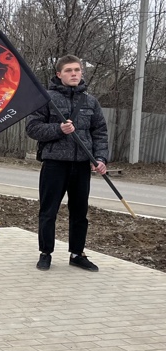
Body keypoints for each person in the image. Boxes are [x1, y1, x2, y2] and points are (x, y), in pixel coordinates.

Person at [26, 55, 108, 272]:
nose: (74, 74)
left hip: (81, 165)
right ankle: (45, 253)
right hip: (55, 164)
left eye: (77, 70)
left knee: (80, 212)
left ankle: (77, 254)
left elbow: (100, 132)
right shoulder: (46, 98)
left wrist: (100, 158)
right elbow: (32, 128)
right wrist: (58, 129)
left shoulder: (91, 102)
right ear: (59, 74)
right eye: (69, 70)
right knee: (48, 211)